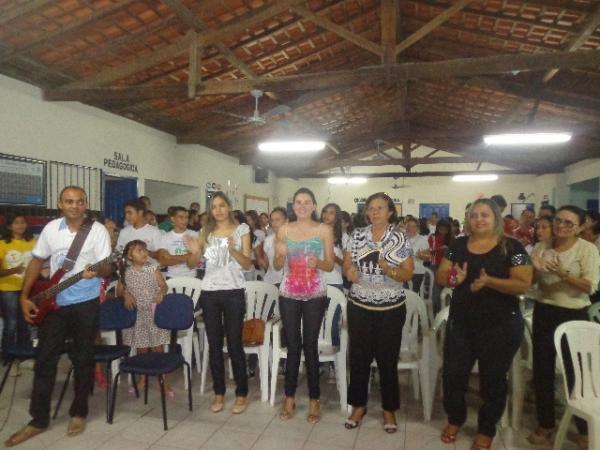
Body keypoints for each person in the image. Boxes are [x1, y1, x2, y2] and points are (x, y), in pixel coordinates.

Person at [6, 186, 112, 446]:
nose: (75, 206)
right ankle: (38, 419)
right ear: (60, 204)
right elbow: (36, 262)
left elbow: (108, 265)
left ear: (85, 204)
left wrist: (96, 271)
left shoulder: (97, 231)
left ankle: (79, 412)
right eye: (69, 201)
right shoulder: (51, 229)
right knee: (45, 359)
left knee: (83, 357)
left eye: (79, 201)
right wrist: (24, 295)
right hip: (54, 304)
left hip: (85, 304)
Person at [436, 198, 532, 450]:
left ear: (496, 218)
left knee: (492, 380)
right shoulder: (457, 245)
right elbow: (442, 275)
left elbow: (523, 284)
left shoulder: (514, 247)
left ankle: (486, 429)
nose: (479, 219)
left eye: (484, 215)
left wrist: (489, 281)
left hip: (500, 326)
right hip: (462, 324)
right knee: (453, 375)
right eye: (474, 215)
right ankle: (456, 418)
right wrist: (457, 277)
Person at [528, 206, 600, 449]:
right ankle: (546, 422)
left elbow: (589, 286)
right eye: (558, 220)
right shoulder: (541, 246)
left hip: (574, 313)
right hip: (544, 310)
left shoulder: (587, 250)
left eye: (569, 223)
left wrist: (563, 273)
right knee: (543, 369)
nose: (561, 226)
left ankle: (582, 426)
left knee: (576, 371)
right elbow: (532, 283)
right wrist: (534, 270)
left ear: (580, 227)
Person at [343, 192, 414, 433]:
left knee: (387, 359)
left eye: (380, 208)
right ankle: (358, 405)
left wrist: (389, 270)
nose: (375, 212)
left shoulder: (400, 237)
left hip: (390, 308)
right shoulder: (357, 235)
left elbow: (407, 274)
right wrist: (349, 271)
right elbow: (347, 262)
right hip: (360, 306)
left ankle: (389, 409)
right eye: (371, 208)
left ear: (390, 211)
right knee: (359, 358)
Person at [187, 192, 253, 414]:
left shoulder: (242, 229)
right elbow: (192, 263)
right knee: (214, 345)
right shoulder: (204, 232)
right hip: (210, 292)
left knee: (234, 344)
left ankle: (242, 392)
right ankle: (219, 392)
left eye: (222, 205)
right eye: (214, 206)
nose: (218, 210)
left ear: (229, 207)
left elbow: (247, 265)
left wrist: (233, 250)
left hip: (234, 291)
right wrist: (195, 252)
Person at [274, 187, 334, 424]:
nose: (302, 206)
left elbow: (330, 265)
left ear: (314, 205)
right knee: (293, 346)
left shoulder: (324, 230)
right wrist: (279, 255)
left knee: (310, 346)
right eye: (298, 202)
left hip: (315, 294)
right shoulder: (284, 229)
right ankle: (289, 397)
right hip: (288, 293)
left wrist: (318, 261)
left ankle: (314, 399)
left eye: (307, 202)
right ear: (293, 206)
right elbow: (278, 266)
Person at [117, 240, 173, 395]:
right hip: (137, 315)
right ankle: (143, 378)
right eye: (139, 250)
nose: (144, 253)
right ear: (129, 255)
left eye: (145, 250)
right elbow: (119, 292)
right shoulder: (125, 272)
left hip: (152, 312)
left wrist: (161, 292)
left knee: (157, 348)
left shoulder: (152, 268)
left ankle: (164, 381)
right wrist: (126, 294)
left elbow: (164, 286)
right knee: (141, 347)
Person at [0, 213, 35, 372]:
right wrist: (15, 269)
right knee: (11, 323)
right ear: (9, 226)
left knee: (25, 322)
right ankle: (7, 355)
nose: (20, 226)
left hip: (28, 288)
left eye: (22, 222)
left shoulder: (32, 242)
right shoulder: (3, 245)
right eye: (16, 223)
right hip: (9, 289)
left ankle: (25, 354)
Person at [157, 207, 201, 279]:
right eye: (181, 217)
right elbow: (163, 261)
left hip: (191, 276)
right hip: (172, 276)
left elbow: (193, 264)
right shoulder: (165, 237)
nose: (185, 220)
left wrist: (170, 257)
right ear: (172, 219)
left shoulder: (195, 235)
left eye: (186, 217)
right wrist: (188, 256)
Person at [256, 207, 287, 286]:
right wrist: (260, 260)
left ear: (286, 221)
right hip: (270, 281)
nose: (274, 223)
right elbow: (267, 265)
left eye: (277, 220)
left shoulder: (294, 240)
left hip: (287, 284)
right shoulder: (268, 240)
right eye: (272, 220)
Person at [321, 203, 346, 291]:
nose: (326, 215)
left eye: (331, 213)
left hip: (334, 282)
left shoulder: (343, 237)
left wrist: (335, 258)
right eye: (325, 212)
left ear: (337, 217)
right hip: (316, 282)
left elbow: (347, 265)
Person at [405, 217, 430, 293]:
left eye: (413, 226)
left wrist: (421, 256)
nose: (410, 228)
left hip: (417, 272)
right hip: (403, 270)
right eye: (409, 226)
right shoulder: (402, 238)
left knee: (412, 294)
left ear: (417, 228)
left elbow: (428, 258)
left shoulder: (422, 240)